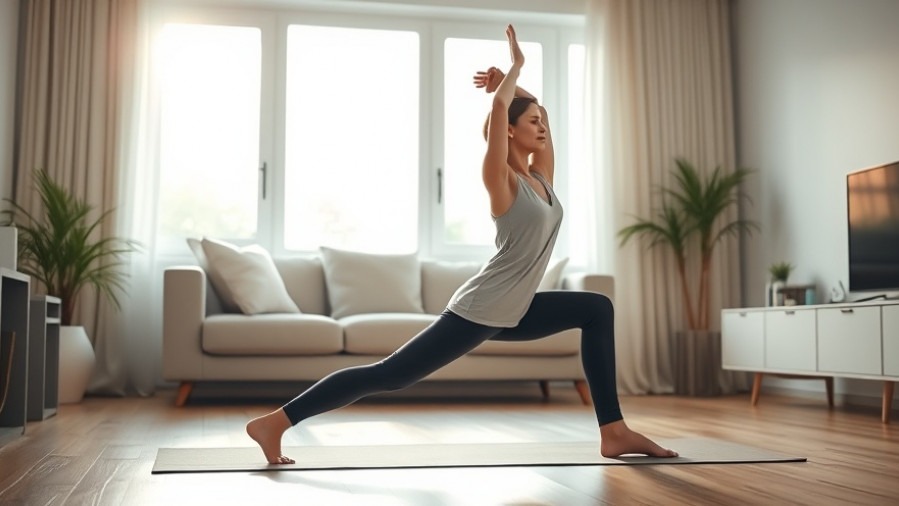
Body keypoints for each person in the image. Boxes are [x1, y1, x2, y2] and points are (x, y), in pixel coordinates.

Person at [246, 24, 678, 465]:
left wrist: (514, 88)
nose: (542, 126)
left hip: (516, 307)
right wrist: (514, 69)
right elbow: (499, 110)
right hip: (482, 307)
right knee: (391, 375)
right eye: (532, 123)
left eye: (542, 123)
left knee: (596, 307)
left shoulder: (541, 178)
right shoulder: (503, 181)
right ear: (508, 132)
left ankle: (614, 431)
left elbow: (531, 106)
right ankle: (276, 422)